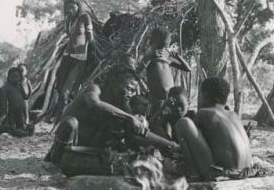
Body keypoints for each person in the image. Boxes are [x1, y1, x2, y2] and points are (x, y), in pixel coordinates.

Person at [45, 67, 179, 173]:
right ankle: (56, 158)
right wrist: (130, 117)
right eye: (128, 88)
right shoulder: (94, 88)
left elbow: (136, 131)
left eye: (133, 91)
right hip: (69, 141)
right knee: (71, 123)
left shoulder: (121, 103)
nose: (131, 94)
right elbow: (94, 103)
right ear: (114, 81)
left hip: (89, 147)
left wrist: (169, 144)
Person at [175, 77, 252, 181]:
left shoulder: (204, 113)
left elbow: (190, 141)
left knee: (183, 123)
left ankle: (194, 175)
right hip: (247, 170)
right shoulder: (233, 115)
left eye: (200, 95)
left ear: (205, 95)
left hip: (225, 173)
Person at [54, 0, 95, 121]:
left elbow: (90, 38)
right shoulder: (68, 20)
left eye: (72, 7)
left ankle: (63, 118)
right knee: (60, 88)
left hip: (80, 58)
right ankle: (59, 117)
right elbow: (69, 36)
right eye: (68, 7)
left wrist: (91, 55)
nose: (70, 9)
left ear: (78, 6)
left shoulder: (85, 17)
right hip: (67, 56)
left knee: (67, 90)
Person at [136, 27, 191, 116]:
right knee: (157, 122)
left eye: (165, 46)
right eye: (160, 45)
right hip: (156, 100)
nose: (161, 49)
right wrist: (144, 88)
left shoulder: (167, 58)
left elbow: (188, 69)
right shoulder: (149, 56)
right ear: (153, 43)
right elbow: (137, 72)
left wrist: (178, 57)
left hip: (171, 100)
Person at [3, 67, 34, 136]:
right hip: (11, 111)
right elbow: (3, 100)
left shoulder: (19, 86)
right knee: (12, 127)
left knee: (21, 125)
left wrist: (28, 87)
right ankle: (17, 131)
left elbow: (25, 97)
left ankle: (23, 130)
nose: (15, 78)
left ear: (20, 78)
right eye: (12, 76)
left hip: (20, 111)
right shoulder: (6, 87)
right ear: (8, 77)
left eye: (17, 77)